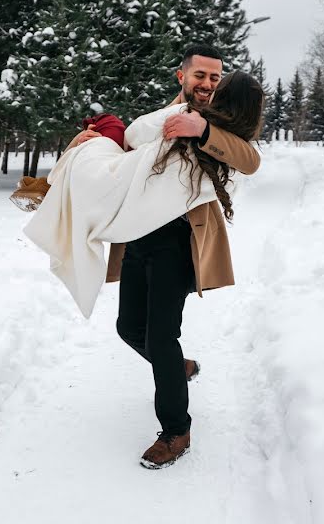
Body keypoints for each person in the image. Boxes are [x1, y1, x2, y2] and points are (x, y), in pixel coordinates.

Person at [19, 46, 262, 470]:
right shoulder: (164, 113)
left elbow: (250, 160)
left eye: (214, 78)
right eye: (200, 76)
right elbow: (130, 150)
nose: (207, 84)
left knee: (161, 336)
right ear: (182, 77)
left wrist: (201, 130)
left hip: (180, 243)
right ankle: (177, 368)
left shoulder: (224, 124)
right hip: (138, 237)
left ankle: (176, 431)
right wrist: (94, 141)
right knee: (129, 327)